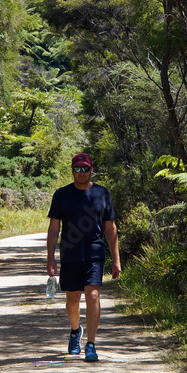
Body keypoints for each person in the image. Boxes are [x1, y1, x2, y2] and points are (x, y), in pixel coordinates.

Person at [46, 153, 121, 362]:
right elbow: (53, 229)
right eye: (77, 169)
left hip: (95, 252)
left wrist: (116, 259)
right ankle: (74, 330)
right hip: (70, 254)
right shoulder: (61, 195)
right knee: (72, 300)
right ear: (72, 170)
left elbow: (110, 228)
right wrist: (50, 258)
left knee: (93, 295)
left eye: (85, 169)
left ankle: (91, 344)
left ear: (91, 169)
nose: (81, 173)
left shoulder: (102, 193)